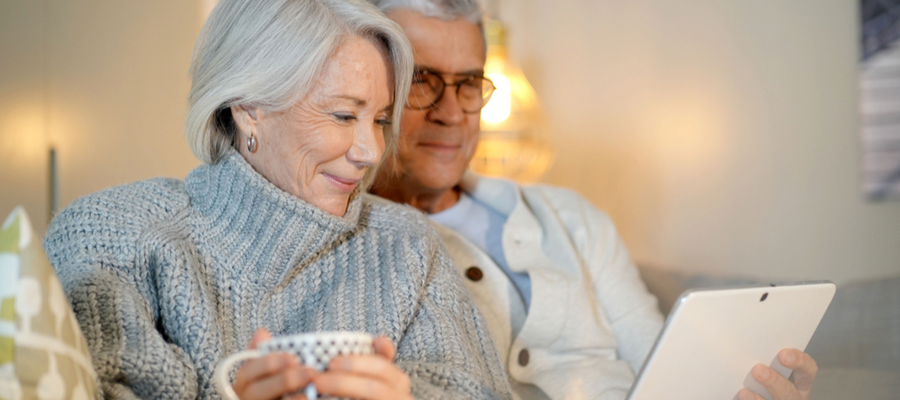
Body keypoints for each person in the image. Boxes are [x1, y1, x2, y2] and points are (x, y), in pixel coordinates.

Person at [42, 0, 512, 399]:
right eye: (344, 115)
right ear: (249, 108)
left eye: (382, 119)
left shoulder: (409, 247)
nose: (371, 151)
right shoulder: (110, 236)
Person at [367, 1, 820, 400]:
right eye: (422, 81)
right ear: (375, 91)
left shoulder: (572, 217)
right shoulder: (353, 243)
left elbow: (655, 357)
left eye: (469, 83)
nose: (450, 114)